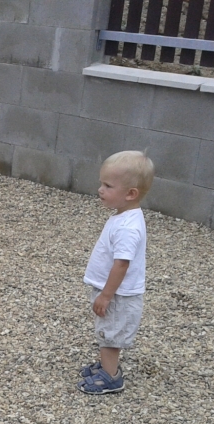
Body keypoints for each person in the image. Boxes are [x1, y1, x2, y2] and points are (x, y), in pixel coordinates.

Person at [77, 150, 155, 395]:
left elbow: (122, 264)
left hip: (118, 295)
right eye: (102, 183)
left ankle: (111, 377)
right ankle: (106, 367)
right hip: (115, 292)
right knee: (107, 329)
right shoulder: (124, 217)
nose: (100, 189)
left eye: (108, 186)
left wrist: (106, 295)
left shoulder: (127, 228)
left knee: (110, 334)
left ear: (130, 194)